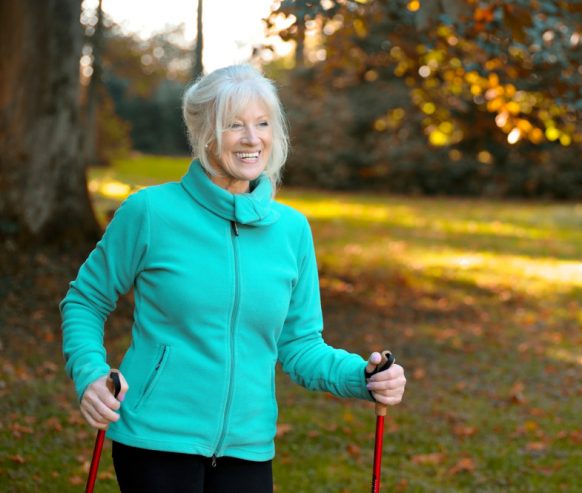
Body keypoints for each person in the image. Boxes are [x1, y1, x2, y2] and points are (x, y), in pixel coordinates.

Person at [60, 64, 406, 493]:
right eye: (234, 125)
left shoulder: (292, 230)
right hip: (156, 440)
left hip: (249, 446)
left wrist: (364, 377)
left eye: (262, 124)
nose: (251, 138)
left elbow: (299, 345)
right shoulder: (150, 212)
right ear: (205, 133)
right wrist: (91, 374)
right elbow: (85, 301)